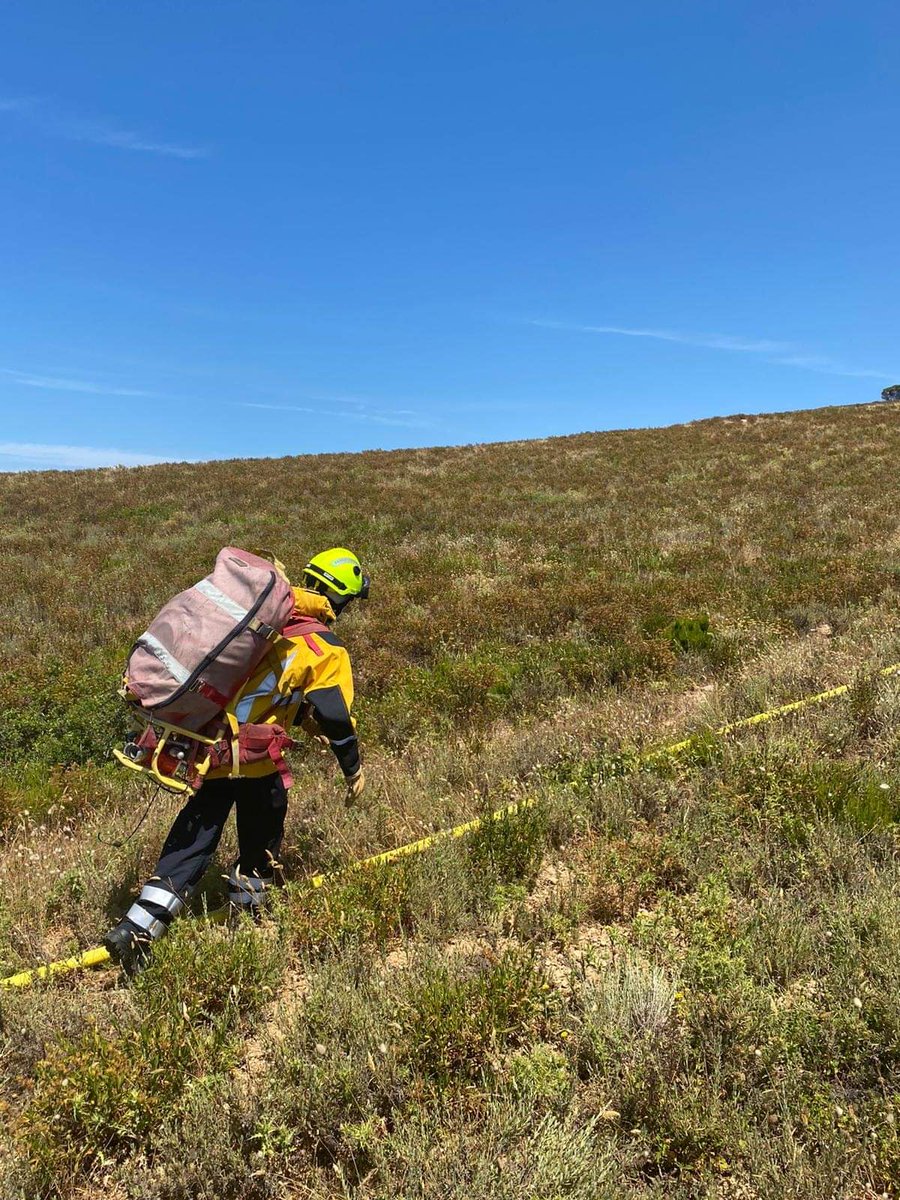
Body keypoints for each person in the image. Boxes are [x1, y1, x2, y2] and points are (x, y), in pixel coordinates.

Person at [104, 547, 369, 973]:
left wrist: (299, 715)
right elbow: (336, 714)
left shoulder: (266, 623)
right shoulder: (325, 645)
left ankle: (137, 927)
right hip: (255, 758)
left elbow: (259, 689)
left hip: (211, 748)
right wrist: (352, 764)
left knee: (197, 834)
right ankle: (248, 919)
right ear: (342, 600)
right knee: (263, 826)